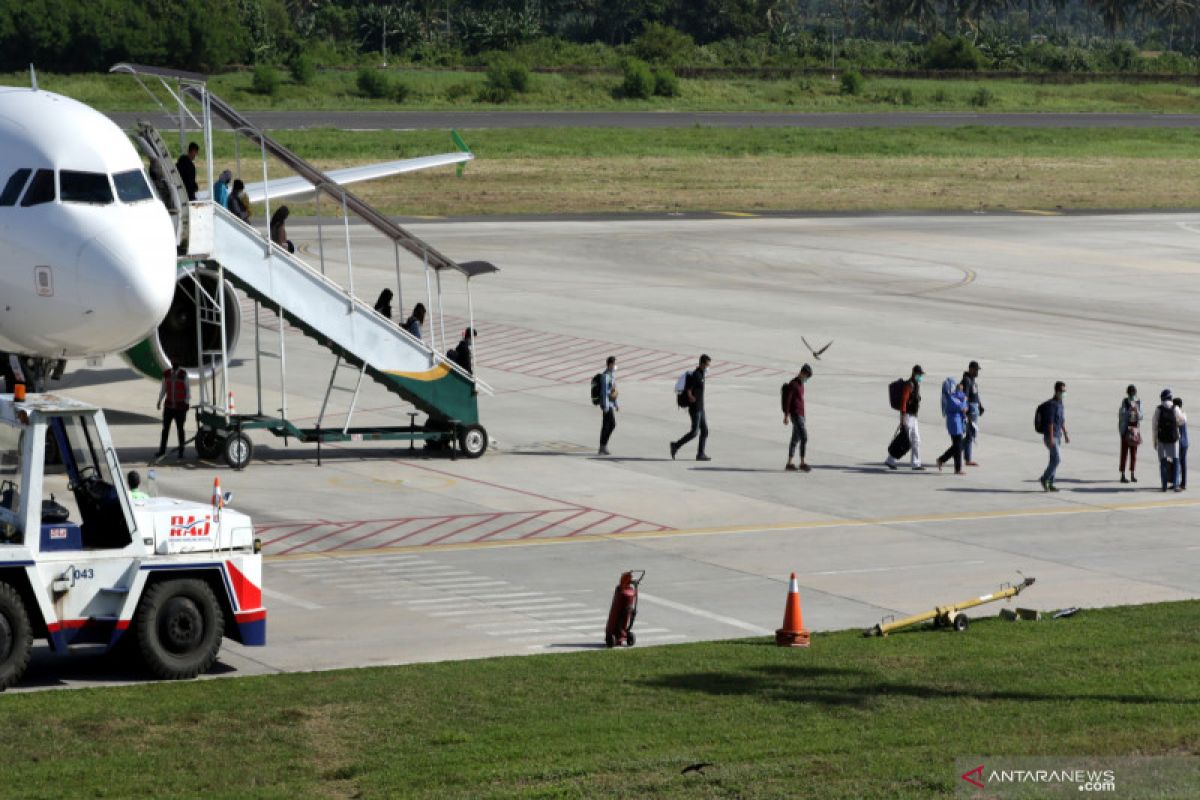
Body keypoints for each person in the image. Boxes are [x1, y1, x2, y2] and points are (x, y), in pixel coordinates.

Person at [670, 354, 711, 462]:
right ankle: (676, 445)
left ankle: (700, 454)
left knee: (705, 431)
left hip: (701, 408)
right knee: (694, 432)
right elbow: (688, 389)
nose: (708, 367)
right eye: (707, 365)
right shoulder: (696, 374)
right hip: (695, 408)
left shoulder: (701, 373)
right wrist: (690, 396)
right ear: (701, 364)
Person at [886, 364, 925, 471]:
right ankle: (891, 460)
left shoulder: (915, 384)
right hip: (907, 416)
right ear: (914, 373)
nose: (921, 376)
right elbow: (904, 400)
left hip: (913, 416)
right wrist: (903, 416)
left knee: (915, 440)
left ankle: (915, 463)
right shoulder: (910, 385)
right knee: (904, 440)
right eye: (919, 374)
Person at [155, 361, 190, 460]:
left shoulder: (183, 375)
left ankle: (181, 452)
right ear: (171, 362)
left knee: (180, 430)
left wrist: (187, 403)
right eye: (173, 360)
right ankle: (162, 451)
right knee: (165, 430)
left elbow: (187, 390)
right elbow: (163, 389)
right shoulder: (166, 374)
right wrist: (159, 401)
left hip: (180, 407)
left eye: (176, 360)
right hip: (169, 407)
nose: (175, 362)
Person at [1152, 389, 1184, 492]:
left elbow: (1154, 426)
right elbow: (1182, 420)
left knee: (1163, 462)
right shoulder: (1175, 408)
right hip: (1174, 439)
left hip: (1162, 439)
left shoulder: (1158, 409)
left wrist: (1155, 441)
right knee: (1176, 461)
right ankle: (1175, 484)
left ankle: (1164, 485)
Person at [1039, 381, 1069, 492]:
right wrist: (1051, 438)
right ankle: (1044, 478)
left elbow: (1061, 421)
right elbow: (1050, 422)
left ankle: (1050, 483)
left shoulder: (1060, 404)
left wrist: (1065, 434)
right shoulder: (1052, 405)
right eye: (1062, 391)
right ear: (1056, 391)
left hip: (1058, 436)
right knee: (1057, 459)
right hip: (1051, 437)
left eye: (1065, 391)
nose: (1063, 393)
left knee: (1053, 460)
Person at [783, 363, 813, 472]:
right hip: (796, 415)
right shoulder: (793, 384)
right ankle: (802, 462)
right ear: (802, 373)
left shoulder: (801, 384)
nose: (807, 378)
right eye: (807, 376)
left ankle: (789, 463)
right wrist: (786, 415)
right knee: (804, 437)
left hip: (801, 415)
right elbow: (788, 401)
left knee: (795, 439)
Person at [936, 377, 968, 474]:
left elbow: (963, 404)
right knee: (957, 446)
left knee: (957, 446)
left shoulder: (955, 396)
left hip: (958, 422)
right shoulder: (950, 397)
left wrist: (963, 397)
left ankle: (943, 460)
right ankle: (954, 467)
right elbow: (962, 407)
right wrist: (964, 400)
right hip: (954, 423)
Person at [961, 360, 984, 466]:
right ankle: (963, 455)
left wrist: (980, 405)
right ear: (970, 369)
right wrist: (966, 411)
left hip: (974, 409)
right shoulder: (966, 380)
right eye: (975, 370)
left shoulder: (972, 380)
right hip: (970, 410)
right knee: (970, 435)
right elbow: (964, 397)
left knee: (972, 434)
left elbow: (976, 394)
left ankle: (961, 452)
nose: (977, 372)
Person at [1118, 384, 1142, 484]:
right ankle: (1123, 474)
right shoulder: (1125, 401)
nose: (1132, 394)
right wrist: (1129, 411)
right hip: (1126, 430)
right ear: (1128, 393)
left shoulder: (1138, 402)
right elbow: (1122, 415)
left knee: (1134, 453)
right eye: (1131, 392)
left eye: (1133, 392)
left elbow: (1141, 416)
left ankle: (1132, 473)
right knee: (1124, 453)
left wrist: (1136, 410)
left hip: (1135, 430)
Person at [598, 356, 618, 456]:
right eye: (614, 364)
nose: (615, 366)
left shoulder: (612, 375)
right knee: (611, 424)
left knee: (607, 425)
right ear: (610, 364)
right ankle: (603, 446)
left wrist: (616, 404)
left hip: (610, 404)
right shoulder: (606, 376)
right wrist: (605, 407)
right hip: (606, 405)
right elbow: (605, 392)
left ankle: (603, 446)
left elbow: (613, 391)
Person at [1174, 397, 1188, 491]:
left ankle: (1177, 483)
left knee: (1177, 462)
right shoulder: (1183, 414)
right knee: (1183, 463)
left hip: (1179, 442)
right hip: (1185, 441)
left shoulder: (1177, 416)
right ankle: (1183, 483)